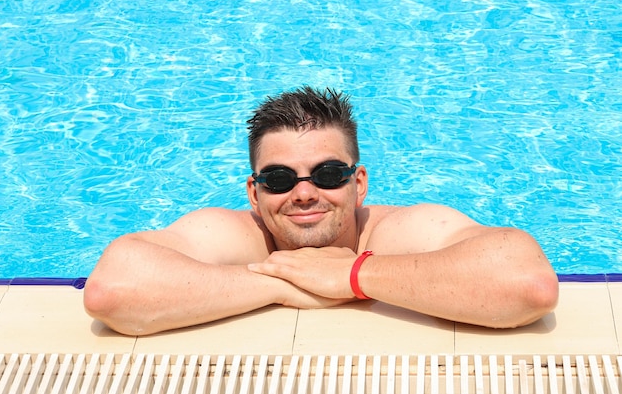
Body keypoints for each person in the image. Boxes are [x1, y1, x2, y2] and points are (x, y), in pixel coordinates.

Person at [84, 86, 559, 336]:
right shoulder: (235, 233)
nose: (304, 193)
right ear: (254, 193)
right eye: (279, 178)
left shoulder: (399, 230)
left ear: (359, 183)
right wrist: (295, 281)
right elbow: (112, 292)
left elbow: (527, 285)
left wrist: (354, 275)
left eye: (328, 173)